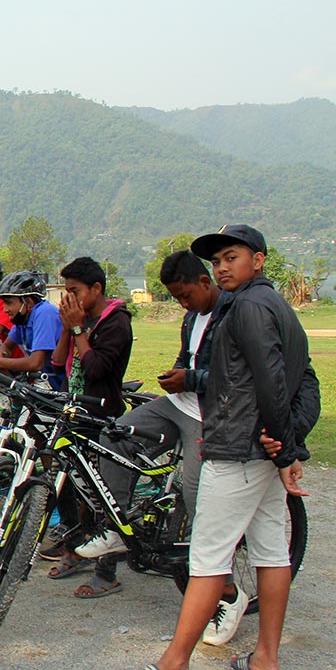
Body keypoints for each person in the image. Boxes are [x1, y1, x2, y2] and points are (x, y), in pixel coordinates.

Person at [149, 225, 311, 670]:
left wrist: (282, 446)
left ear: (258, 259)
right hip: (258, 450)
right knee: (271, 551)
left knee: (208, 558)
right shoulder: (276, 304)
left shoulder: (249, 307)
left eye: (232, 257)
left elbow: (273, 381)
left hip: (238, 449)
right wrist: (287, 444)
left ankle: (173, 662)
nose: (222, 266)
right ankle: (265, 658)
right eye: (217, 260)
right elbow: (302, 379)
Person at [44, 256, 133, 598]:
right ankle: (73, 548)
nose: (69, 298)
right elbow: (57, 360)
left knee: (101, 494)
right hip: (74, 413)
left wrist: (79, 328)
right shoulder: (80, 320)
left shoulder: (117, 322)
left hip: (102, 416)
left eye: (75, 291)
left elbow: (96, 369)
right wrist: (69, 328)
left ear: (96, 289)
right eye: (66, 292)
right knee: (65, 484)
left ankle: (107, 572)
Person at [0, 270, 65, 390]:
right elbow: (7, 346)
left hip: (65, 388)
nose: (5, 309)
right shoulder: (23, 319)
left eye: (9, 303)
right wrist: (0, 357)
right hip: (49, 387)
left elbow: (36, 363)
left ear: (28, 302)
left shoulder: (44, 313)